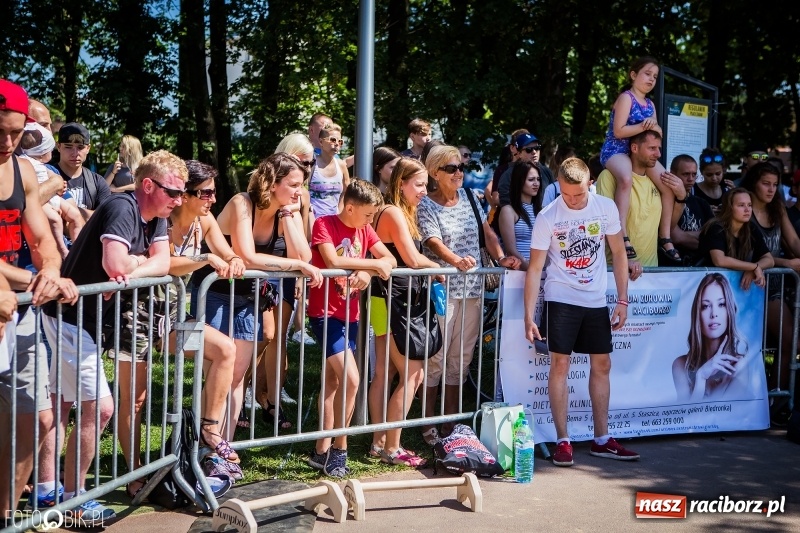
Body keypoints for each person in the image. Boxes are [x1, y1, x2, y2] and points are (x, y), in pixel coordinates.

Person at [37, 150, 185, 526]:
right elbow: (115, 266)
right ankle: (72, 501)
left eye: (182, 193)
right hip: (69, 317)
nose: (179, 201)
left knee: (62, 403)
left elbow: (162, 263)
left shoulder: (156, 217)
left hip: (82, 320)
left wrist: (132, 264)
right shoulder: (123, 207)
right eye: (173, 192)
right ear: (148, 185)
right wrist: (136, 262)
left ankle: (47, 491)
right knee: (98, 407)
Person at [118, 160, 246, 496]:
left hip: (174, 314)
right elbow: (167, 263)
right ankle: (133, 473)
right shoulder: (165, 220)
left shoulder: (204, 221)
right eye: (205, 193)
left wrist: (231, 259)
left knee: (225, 350)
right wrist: (204, 259)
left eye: (213, 193)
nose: (212, 200)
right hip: (140, 312)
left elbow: (227, 252)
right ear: (186, 195)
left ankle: (210, 431)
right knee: (135, 399)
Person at [192, 153, 323, 438]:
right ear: (272, 183)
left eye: (302, 185)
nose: (299, 191)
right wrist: (299, 265)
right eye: (293, 184)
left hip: (250, 297)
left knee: (238, 375)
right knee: (218, 375)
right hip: (214, 292)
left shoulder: (284, 212)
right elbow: (247, 257)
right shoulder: (242, 202)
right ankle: (200, 443)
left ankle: (221, 447)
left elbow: (304, 256)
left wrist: (289, 214)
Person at [523, 157, 639, 467]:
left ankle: (602, 438)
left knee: (602, 364)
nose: (572, 200)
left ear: (590, 184)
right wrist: (528, 316)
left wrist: (623, 300)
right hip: (561, 297)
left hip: (596, 299)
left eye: (578, 194)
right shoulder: (548, 215)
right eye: (565, 193)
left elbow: (617, 253)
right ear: (558, 186)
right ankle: (563, 440)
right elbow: (535, 269)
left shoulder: (605, 207)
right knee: (560, 364)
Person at [0, 78, 78, 522]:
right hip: (12, 298)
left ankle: (8, 517)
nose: (9, 142)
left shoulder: (24, 171)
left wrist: (49, 269)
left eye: (15, 132)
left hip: (20, 309)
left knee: (34, 420)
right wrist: (32, 280)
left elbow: (41, 240)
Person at [417, 145, 520, 443]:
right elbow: (432, 241)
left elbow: (486, 234)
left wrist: (500, 259)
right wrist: (455, 262)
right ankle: (428, 423)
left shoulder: (471, 198)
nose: (459, 172)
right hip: (442, 290)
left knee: (461, 358)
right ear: (435, 173)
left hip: (472, 290)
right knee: (436, 357)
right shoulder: (426, 204)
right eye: (451, 168)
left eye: (461, 167)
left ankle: (451, 423)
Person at [306, 179, 396, 478]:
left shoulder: (365, 229)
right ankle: (339, 449)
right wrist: (370, 267)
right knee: (352, 379)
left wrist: (366, 272)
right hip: (325, 314)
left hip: (351, 315)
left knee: (333, 382)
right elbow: (332, 259)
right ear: (350, 207)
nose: (372, 221)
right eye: (369, 215)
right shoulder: (324, 223)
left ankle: (321, 450)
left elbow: (389, 258)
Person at [367, 158, 439, 467]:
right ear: (401, 184)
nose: (424, 191)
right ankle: (392, 448)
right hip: (390, 301)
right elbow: (411, 259)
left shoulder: (399, 212)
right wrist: (441, 267)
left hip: (385, 300)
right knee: (413, 372)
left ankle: (378, 442)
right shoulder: (394, 212)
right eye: (419, 185)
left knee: (387, 372)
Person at [599, 56, 678, 262]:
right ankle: (623, 234)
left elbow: (657, 133)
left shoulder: (650, 104)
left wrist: (653, 126)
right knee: (625, 179)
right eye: (647, 74)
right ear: (633, 75)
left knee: (667, 184)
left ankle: (665, 237)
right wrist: (646, 126)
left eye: (655, 76)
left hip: (639, 152)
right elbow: (618, 131)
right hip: (617, 150)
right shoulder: (627, 98)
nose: (651, 79)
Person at [739, 164, 800, 393]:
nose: (771, 189)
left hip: (773, 283)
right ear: (754, 182)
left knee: (788, 340)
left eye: (775, 184)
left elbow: (793, 243)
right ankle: (767, 399)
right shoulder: (744, 207)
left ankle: (774, 397)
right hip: (748, 282)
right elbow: (743, 252)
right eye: (766, 183)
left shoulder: (778, 208)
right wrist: (786, 263)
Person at [596, 130, 686, 267]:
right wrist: (624, 261)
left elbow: (670, 226)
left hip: (651, 274)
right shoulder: (609, 176)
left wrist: (681, 197)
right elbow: (604, 224)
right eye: (652, 148)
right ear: (634, 148)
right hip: (618, 270)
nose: (658, 154)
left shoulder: (660, 184)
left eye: (659, 148)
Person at [672, 274, 754, 402]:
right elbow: (685, 418)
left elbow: (725, 418)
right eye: (705, 306)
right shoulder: (681, 365)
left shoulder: (738, 366)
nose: (714, 314)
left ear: (729, 311)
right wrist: (701, 378)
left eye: (721, 304)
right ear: (697, 313)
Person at [18, 122, 85, 255]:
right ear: (43, 151)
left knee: (75, 215)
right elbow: (25, 199)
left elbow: (55, 179)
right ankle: (62, 250)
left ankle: (79, 250)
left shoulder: (46, 166)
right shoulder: (22, 163)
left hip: (53, 198)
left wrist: (58, 181)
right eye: (44, 125)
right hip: (43, 204)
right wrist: (55, 183)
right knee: (55, 219)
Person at [54, 122, 112, 220]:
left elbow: (106, 216)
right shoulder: (46, 175)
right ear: (58, 147)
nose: (75, 153)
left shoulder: (98, 182)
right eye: (68, 147)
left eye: (80, 147)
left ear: (88, 148)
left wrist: (69, 210)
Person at [498, 161, 543, 270]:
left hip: (542, 273)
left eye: (538, 179)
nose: (536, 183)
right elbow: (511, 250)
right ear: (519, 181)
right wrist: (532, 270)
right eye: (531, 180)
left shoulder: (542, 211)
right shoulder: (508, 210)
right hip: (518, 274)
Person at [669, 154, 714, 265]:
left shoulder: (702, 203)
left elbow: (715, 235)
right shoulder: (665, 201)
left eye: (694, 174)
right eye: (686, 174)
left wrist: (685, 234)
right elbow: (676, 238)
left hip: (701, 267)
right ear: (672, 174)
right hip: (674, 266)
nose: (691, 179)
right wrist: (705, 240)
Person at [497, 132, 554, 206]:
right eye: (529, 149)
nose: (534, 152)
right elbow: (506, 203)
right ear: (519, 153)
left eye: (537, 148)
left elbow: (554, 199)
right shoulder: (508, 175)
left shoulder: (547, 172)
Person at [309, 123, 350, 218]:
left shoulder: (341, 165)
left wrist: (339, 212)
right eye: (332, 140)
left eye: (340, 141)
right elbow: (303, 191)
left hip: (334, 222)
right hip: (313, 221)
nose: (336, 143)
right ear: (320, 141)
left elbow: (346, 191)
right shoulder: (312, 163)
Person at [693, 148, 732, 215]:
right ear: (701, 172)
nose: (714, 178)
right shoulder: (693, 191)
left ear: (723, 171)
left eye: (718, 174)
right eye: (709, 175)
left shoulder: (727, 190)